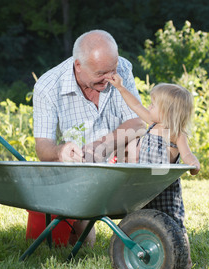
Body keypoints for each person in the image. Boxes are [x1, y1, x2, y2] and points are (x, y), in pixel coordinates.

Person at [33, 30, 144, 246]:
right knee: (81, 245)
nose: (110, 78)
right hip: (78, 167)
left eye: (113, 70)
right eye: (101, 73)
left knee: (138, 145)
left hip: (119, 157)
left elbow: (138, 123)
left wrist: (100, 146)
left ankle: (137, 225)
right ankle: (82, 223)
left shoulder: (121, 68)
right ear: (78, 66)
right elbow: (43, 148)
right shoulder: (47, 87)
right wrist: (60, 151)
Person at [108, 73, 200, 268]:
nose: (149, 107)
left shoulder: (176, 134)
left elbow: (188, 155)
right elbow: (135, 105)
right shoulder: (152, 123)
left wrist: (194, 164)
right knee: (140, 219)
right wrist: (121, 88)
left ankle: (186, 260)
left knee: (175, 225)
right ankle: (140, 252)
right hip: (144, 187)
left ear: (168, 111)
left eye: (153, 104)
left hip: (165, 189)